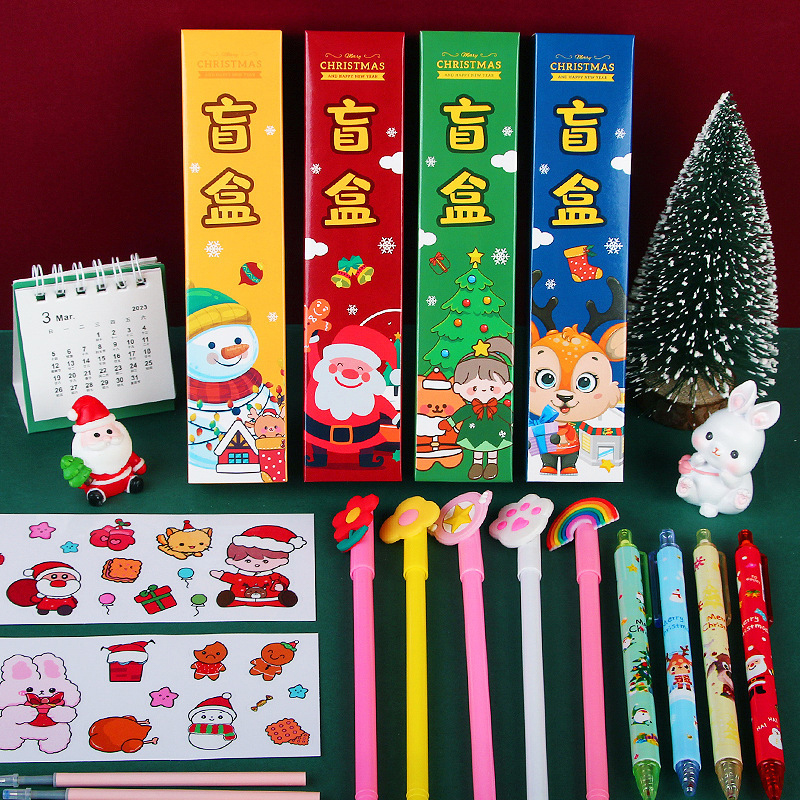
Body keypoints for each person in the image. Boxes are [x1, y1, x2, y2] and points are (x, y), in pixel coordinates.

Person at [60, 395, 146, 506]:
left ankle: (130, 483)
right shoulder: (84, 457)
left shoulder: (123, 449)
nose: (106, 438)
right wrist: (80, 479)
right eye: (96, 435)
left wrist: (138, 465)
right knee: (95, 494)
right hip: (98, 484)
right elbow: (82, 481)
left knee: (135, 483)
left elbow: (129, 455)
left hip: (124, 475)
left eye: (109, 432)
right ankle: (97, 494)